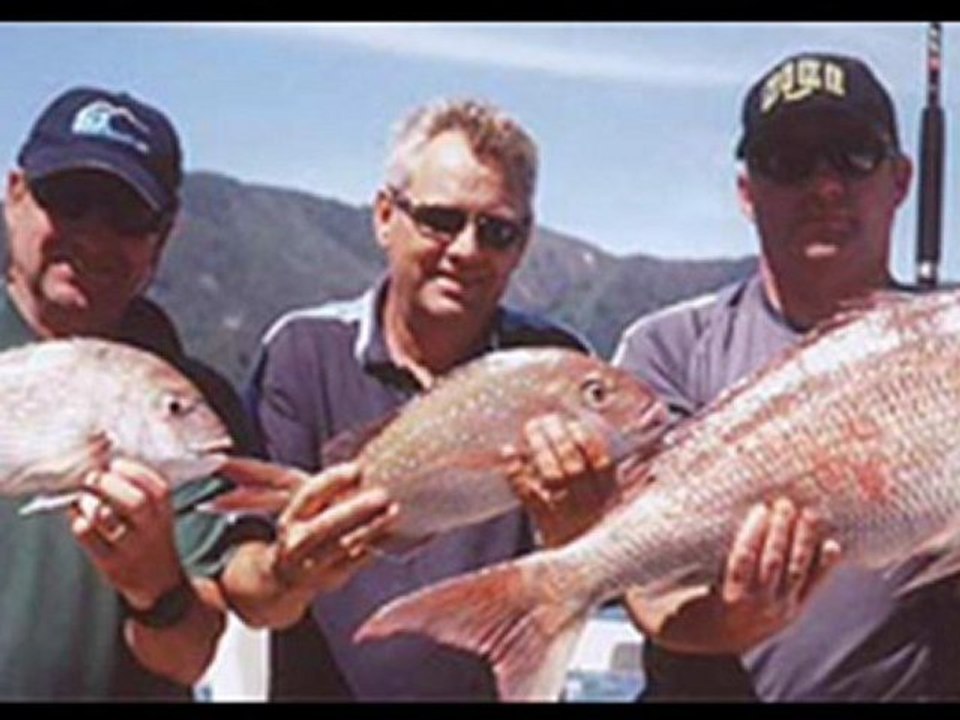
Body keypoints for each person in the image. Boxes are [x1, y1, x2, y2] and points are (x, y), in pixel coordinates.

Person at [219, 98, 602, 700]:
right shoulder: (301, 351)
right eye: (440, 220)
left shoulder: (557, 364)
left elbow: (587, 571)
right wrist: (289, 572)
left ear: (523, 244)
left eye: (497, 231)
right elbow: (250, 596)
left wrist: (579, 527)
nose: (467, 250)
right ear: (384, 217)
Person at [611, 52, 960, 701]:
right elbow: (642, 582)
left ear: (901, 180)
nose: (825, 186)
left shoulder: (943, 338)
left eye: (854, 154)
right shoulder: (668, 349)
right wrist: (728, 621)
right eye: (788, 160)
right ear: (747, 193)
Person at [0, 86, 259, 699]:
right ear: (15, 197)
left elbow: (190, 657)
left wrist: (156, 586)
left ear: (161, 239)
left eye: (126, 216)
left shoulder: (192, 406)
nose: (93, 236)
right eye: (69, 201)